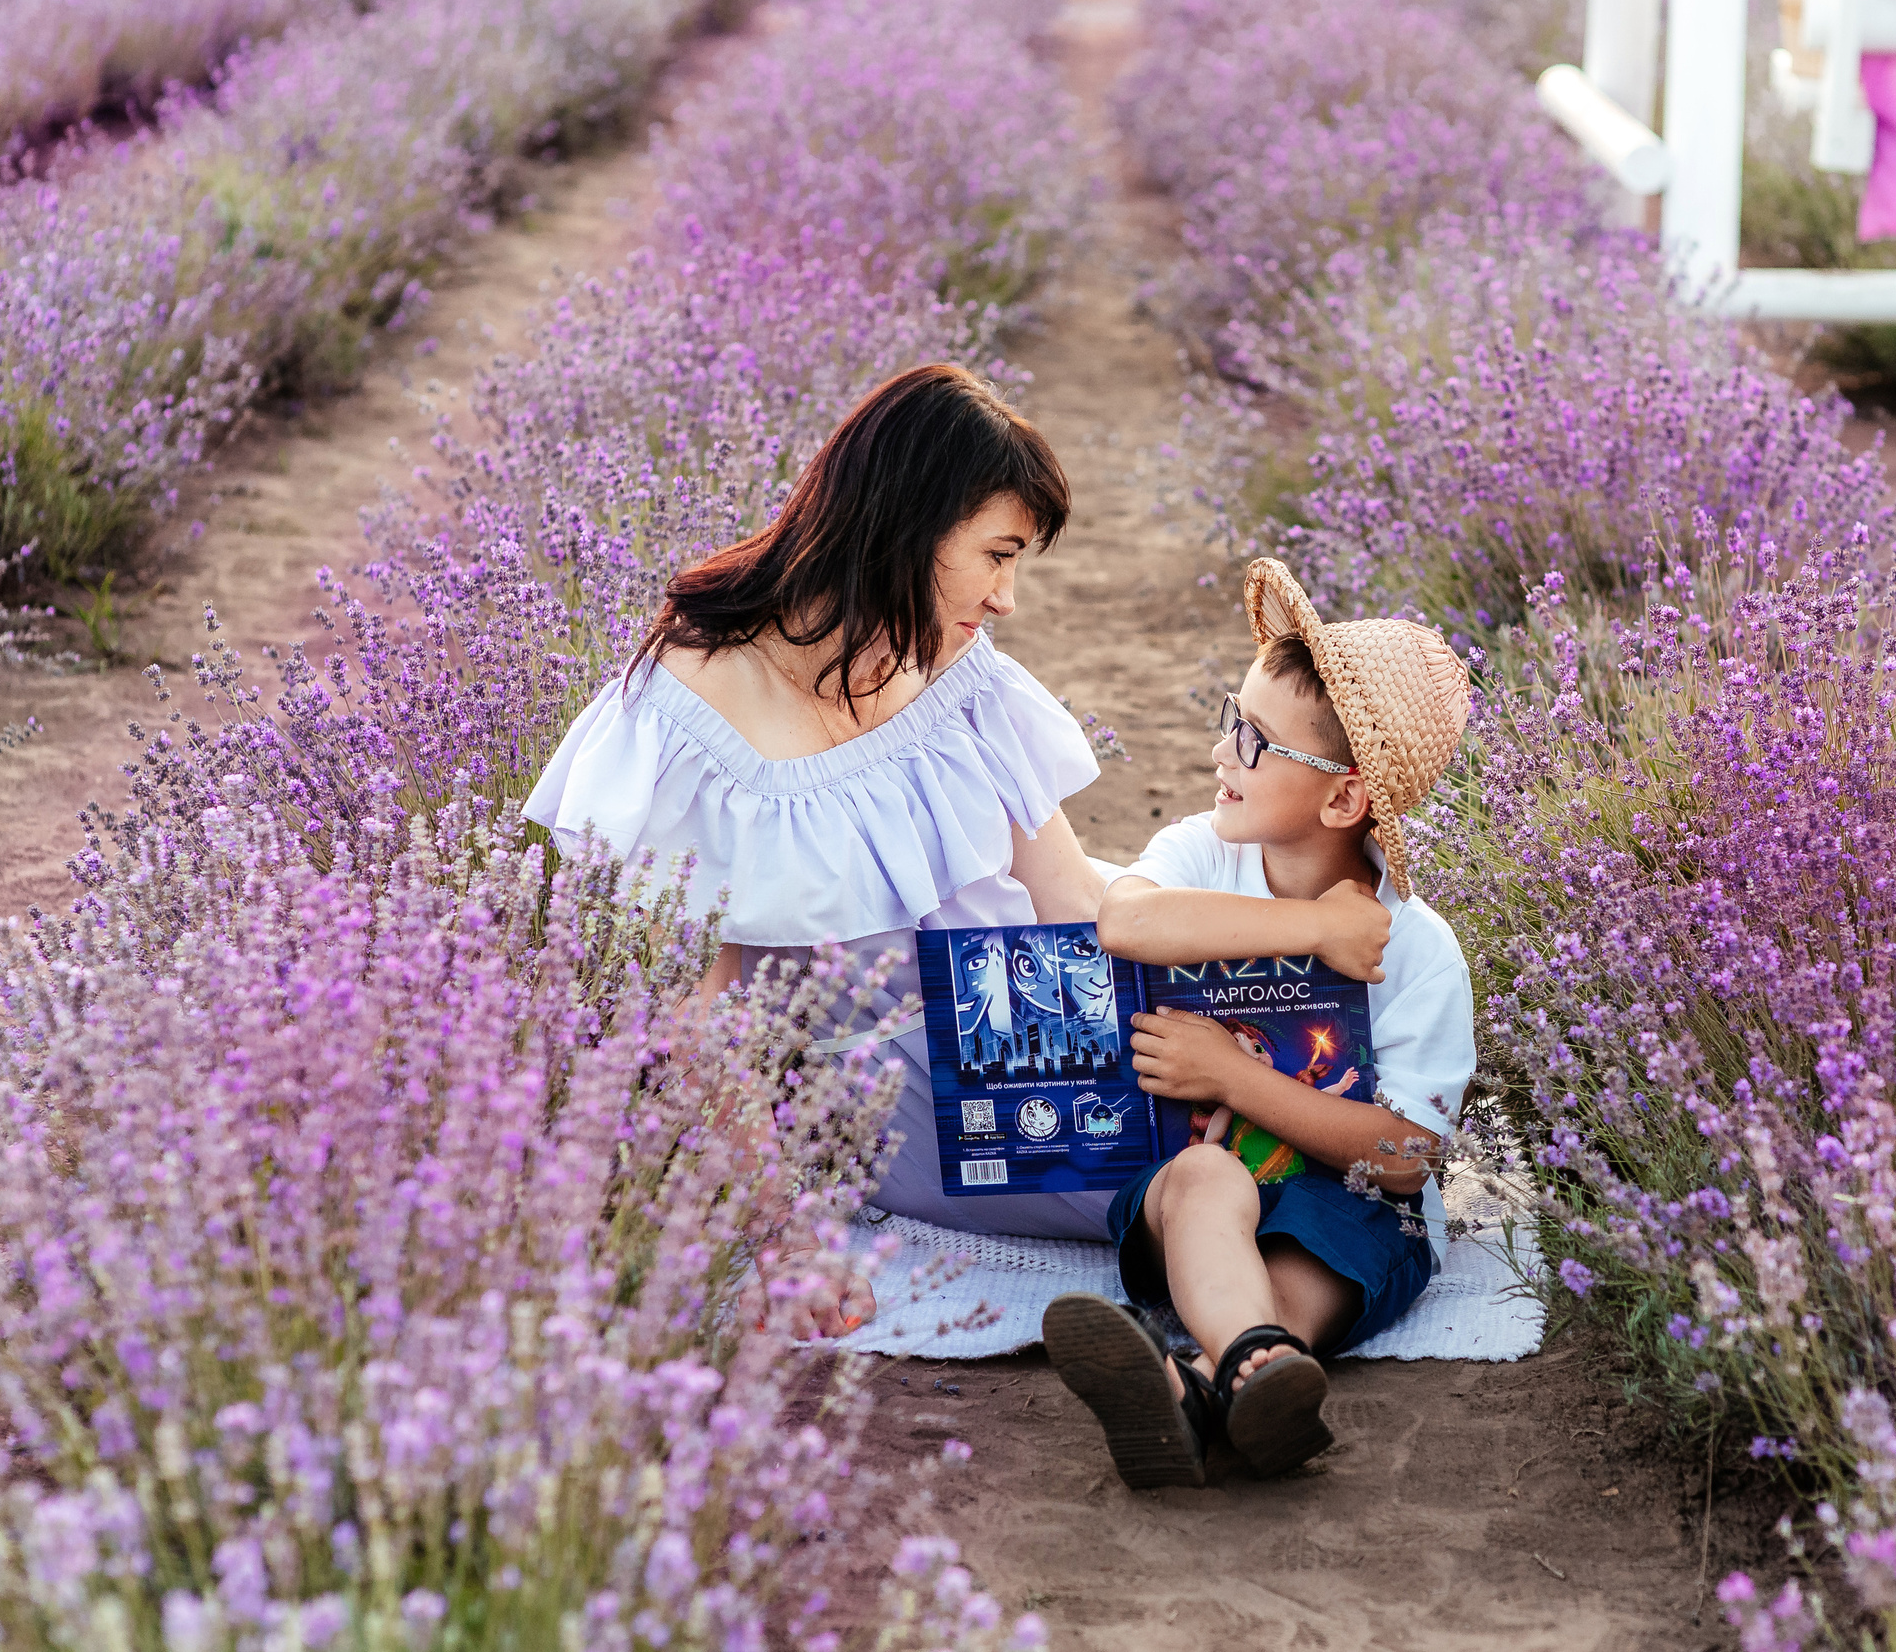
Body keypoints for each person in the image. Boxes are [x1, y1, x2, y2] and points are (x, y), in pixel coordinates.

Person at [523, 364, 1114, 1337]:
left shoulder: (951, 661)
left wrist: (1160, 1032)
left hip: (1046, 1003)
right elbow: (696, 1017)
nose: (1006, 597)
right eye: (996, 554)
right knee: (1206, 1175)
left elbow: (1072, 902)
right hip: (914, 1090)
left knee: (1291, 1051)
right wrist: (786, 1232)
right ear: (910, 524)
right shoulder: (693, 713)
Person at [1042, 558, 1475, 1488]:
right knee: (1204, 1180)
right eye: (1230, 718)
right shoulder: (1201, 852)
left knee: (1324, 1244)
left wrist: (1235, 1077)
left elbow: (1405, 1158)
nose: (1221, 750)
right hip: (1195, 1188)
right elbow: (1126, 921)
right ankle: (1250, 1372)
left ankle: (1207, 1384)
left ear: (1343, 798)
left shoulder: (1418, 947)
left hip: (1354, 1203)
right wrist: (1315, 928)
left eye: (1254, 739)